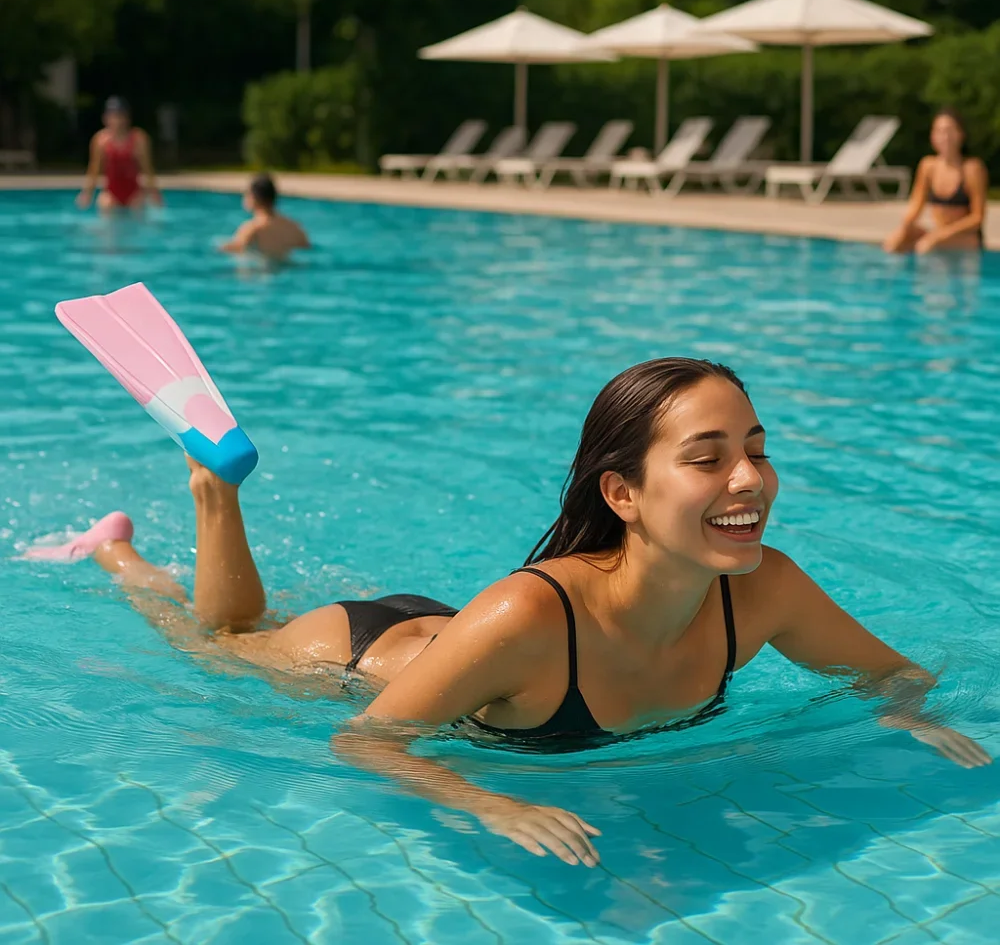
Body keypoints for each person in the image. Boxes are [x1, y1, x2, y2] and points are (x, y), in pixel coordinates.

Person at [27, 358, 990, 867]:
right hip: (363, 653)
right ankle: (143, 533)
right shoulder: (534, 615)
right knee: (213, 643)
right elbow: (365, 745)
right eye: (707, 457)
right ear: (622, 494)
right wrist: (485, 798)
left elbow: (899, 671)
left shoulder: (762, 588)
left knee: (225, 630)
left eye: (757, 447)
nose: (749, 479)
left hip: (477, 647)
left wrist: (904, 712)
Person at [883, 108, 988, 254]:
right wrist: (906, 225)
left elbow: (977, 218)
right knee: (894, 242)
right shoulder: (928, 166)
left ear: (961, 134)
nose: (944, 137)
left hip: (966, 237)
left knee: (927, 247)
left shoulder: (972, 168)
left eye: (949, 131)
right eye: (938, 131)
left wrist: (939, 236)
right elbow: (916, 205)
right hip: (938, 233)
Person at [77, 97, 162, 212]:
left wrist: (154, 193)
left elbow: (147, 168)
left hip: (134, 193)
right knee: (105, 204)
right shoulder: (101, 140)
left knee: (138, 210)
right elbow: (94, 169)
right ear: (105, 118)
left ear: (127, 118)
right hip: (111, 193)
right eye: (113, 116)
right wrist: (87, 193)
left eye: (120, 116)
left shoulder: (138, 139)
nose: (117, 121)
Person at [220, 173, 310, 259]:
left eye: (246, 193)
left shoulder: (251, 229)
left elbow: (234, 249)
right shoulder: (295, 227)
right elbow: (306, 248)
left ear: (254, 197)